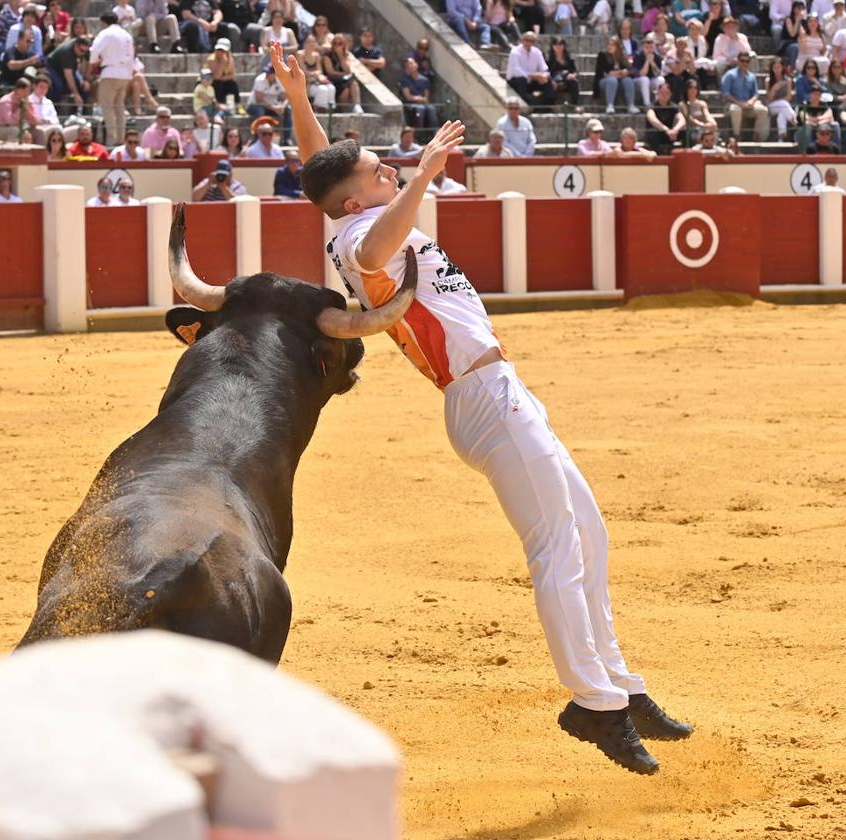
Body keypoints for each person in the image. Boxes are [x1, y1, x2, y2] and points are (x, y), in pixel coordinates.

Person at [269, 40, 692, 776]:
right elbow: (372, 244)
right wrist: (425, 177)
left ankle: (622, 686)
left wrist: (300, 98)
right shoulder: (367, 235)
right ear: (359, 199)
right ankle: (595, 704)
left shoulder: (347, 214)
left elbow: (322, 175)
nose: (388, 165)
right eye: (379, 170)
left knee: (585, 532)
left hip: (499, 389)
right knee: (557, 549)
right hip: (483, 396)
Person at [90, 11, 135, 147]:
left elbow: (95, 51)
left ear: (104, 22)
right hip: (125, 74)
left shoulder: (105, 33)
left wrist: (94, 62)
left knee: (107, 107)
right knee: (119, 107)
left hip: (110, 72)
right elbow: (132, 55)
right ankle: (121, 138)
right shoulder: (127, 35)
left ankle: (112, 138)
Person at [722, 51, 769, 140]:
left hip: (747, 105)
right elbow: (726, 94)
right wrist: (739, 103)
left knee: (763, 110)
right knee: (736, 109)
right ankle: (737, 136)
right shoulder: (730, 75)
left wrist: (751, 102)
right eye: (742, 61)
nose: (744, 63)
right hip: (733, 104)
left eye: (747, 61)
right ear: (738, 61)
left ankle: (756, 135)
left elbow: (756, 93)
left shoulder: (752, 76)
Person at [506, 31, 556, 108]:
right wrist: (532, 75)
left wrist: (544, 76)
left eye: (532, 41)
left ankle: (548, 106)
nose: (529, 43)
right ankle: (530, 105)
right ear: (522, 40)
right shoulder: (515, 52)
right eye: (527, 40)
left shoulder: (537, 52)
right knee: (521, 80)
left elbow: (544, 68)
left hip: (530, 80)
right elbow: (516, 70)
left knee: (547, 82)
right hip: (516, 81)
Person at [247, 63, 294, 138]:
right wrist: (275, 108)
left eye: (270, 73)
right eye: (267, 72)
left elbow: (286, 97)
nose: (267, 74)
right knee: (259, 111)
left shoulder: (280, 80)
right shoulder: (259, 80)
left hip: (272, 107)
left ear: (275, 74)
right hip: (255, 106)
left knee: (288, 109)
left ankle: (287, 139)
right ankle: (258, 138)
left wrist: (282, 106)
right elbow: (259, 101)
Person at [595, 35, 637, 114]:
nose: (610, 47)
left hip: (619, 82)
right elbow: (607, 74)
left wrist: (620, 73)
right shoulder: (602, 55)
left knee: (628, 80)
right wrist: (621, 73)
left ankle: (631, 105)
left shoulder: (622, 57)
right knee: (612, 80)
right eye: (609, 44)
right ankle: (610, 105)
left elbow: (628, 71)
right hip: (604, 82)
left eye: (612, 45)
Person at [0, 77, 40, 142]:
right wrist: (21, 108)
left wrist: (27, 110)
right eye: (24, 91)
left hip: (22, 128)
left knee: (39, 132)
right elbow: (10, 122)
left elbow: (36, 121)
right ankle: (12, 151)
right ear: (17, 90)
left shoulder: (28, 100)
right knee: (15, 131)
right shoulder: (6, 101)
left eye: (28, 91)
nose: (26, 94)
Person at [46, 35, 91, 106]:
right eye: (82, 51)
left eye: (85, 51)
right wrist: (75, 94)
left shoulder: (84, 50)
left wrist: (85, 80)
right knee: (58, 86)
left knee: (83, 87)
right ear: (76, 46)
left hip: (69, 68)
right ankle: (56, 109)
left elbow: (89, 63)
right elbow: (68, 75)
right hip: (53, 67)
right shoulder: (67, 52)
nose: (83, 54)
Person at [644, 81, 686, 153]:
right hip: (657, 133)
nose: (664, 95)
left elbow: (682, 120)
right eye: (662, 92)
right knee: (653, 135)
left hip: (670, 134)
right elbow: (652, 118)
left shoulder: (674, 106)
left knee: (685, 133)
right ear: (657, 94)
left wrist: (675, 130)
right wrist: (666, 129)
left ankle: (684, 156)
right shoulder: (652, 106)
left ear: (670, 94)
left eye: (667, 93)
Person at [323, 34, 361, 112]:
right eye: (335, 43)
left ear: (344, 45)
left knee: (351, 86)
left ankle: (357, 106)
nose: (337, 46)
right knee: (350, 82)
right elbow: (330, 72)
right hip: (333, 80)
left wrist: (340, 56)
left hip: (344, 81)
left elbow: (347, 69)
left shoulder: (346, 55)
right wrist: (344, 74)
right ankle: (344, 110)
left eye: (340, 43)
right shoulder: (327, 55)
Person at [400, 57, 438, 129]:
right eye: (407, 65)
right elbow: (408, 97)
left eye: (411, 63)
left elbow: (426, 98)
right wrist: (420, 98)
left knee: (431, 108)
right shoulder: (405, 80)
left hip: (422, 103)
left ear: (416, 64)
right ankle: (419, 134)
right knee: (420, 109)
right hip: (411, 104)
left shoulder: (424, 80)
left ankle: (435, 132)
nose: (410, 66)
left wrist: (420, 99)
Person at [547, 38, 581, 107]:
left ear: (564, 46)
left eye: (560, 44)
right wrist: (551, 80)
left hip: (567, 79)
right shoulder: (548, 58)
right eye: (555, 44)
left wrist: (572, 75)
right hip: (554, 79)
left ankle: (575, 105)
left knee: (574, 82)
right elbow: (546, 71)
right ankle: (551, 106)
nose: (558, 46)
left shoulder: (569, 58)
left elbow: (575, 71)